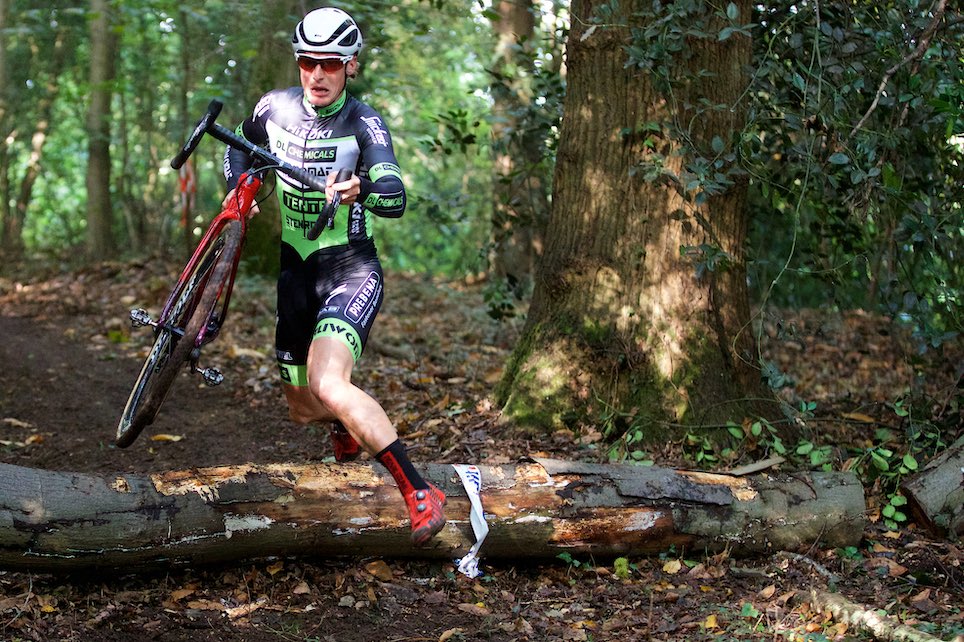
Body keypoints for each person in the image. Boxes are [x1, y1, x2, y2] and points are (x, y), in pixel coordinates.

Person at [221, 7, 446, 546]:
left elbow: (395, 195)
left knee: (329, 383)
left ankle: (419, 491)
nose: (317, 75)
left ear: (351, 66)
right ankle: (347, 428)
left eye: (329, 63)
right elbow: (240, 147)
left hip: (349, 266)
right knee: (304, 409)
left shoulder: (364, 123)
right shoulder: (273, 107)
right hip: (294, 274)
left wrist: (361, 188)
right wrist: (241, 191)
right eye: (307, 62)